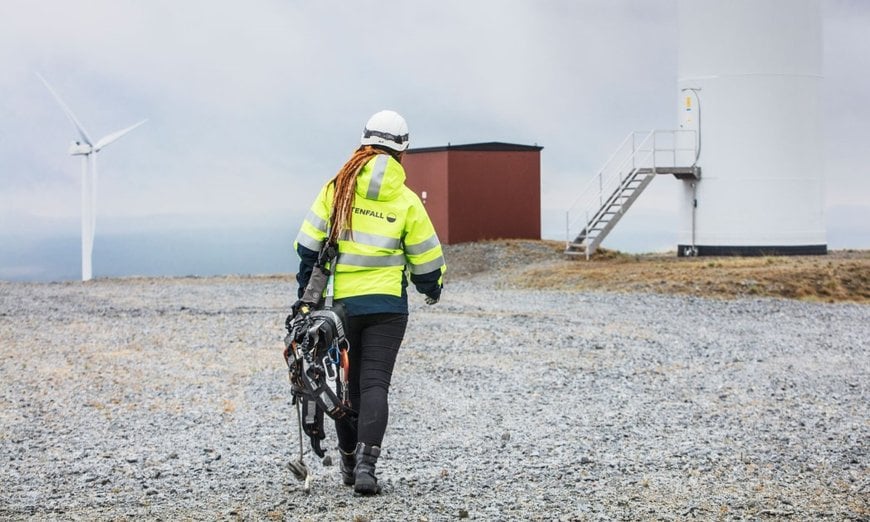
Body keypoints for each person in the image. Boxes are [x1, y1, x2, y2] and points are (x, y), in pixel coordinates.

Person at [292, 109, 446, 495]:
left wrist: (304, 300)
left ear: (364, 142)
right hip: (388, 308)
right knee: (376, 383)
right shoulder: (408, 201)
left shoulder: (337, 189)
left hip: (341, 308)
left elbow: (307, 247)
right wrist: (431, 290)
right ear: (402, 151)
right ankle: (366, 468)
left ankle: (346, 462)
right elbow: (428, 265)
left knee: (347, 389)